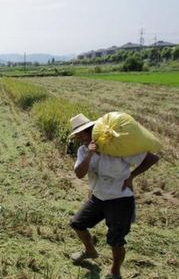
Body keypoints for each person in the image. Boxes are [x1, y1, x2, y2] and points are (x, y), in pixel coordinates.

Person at [67, 114, 159, 279]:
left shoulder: (117, 146)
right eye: (77, 135)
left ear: (92, 131)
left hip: (120, 200)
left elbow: (152, 158)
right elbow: (79, 174)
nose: (80, 138)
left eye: (82, 134)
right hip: (98, 197)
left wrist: (131, 176)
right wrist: (89, 154)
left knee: (115, 239)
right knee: (77, 223)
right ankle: (90, 251)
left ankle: (115, 271)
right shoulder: (83, 150)